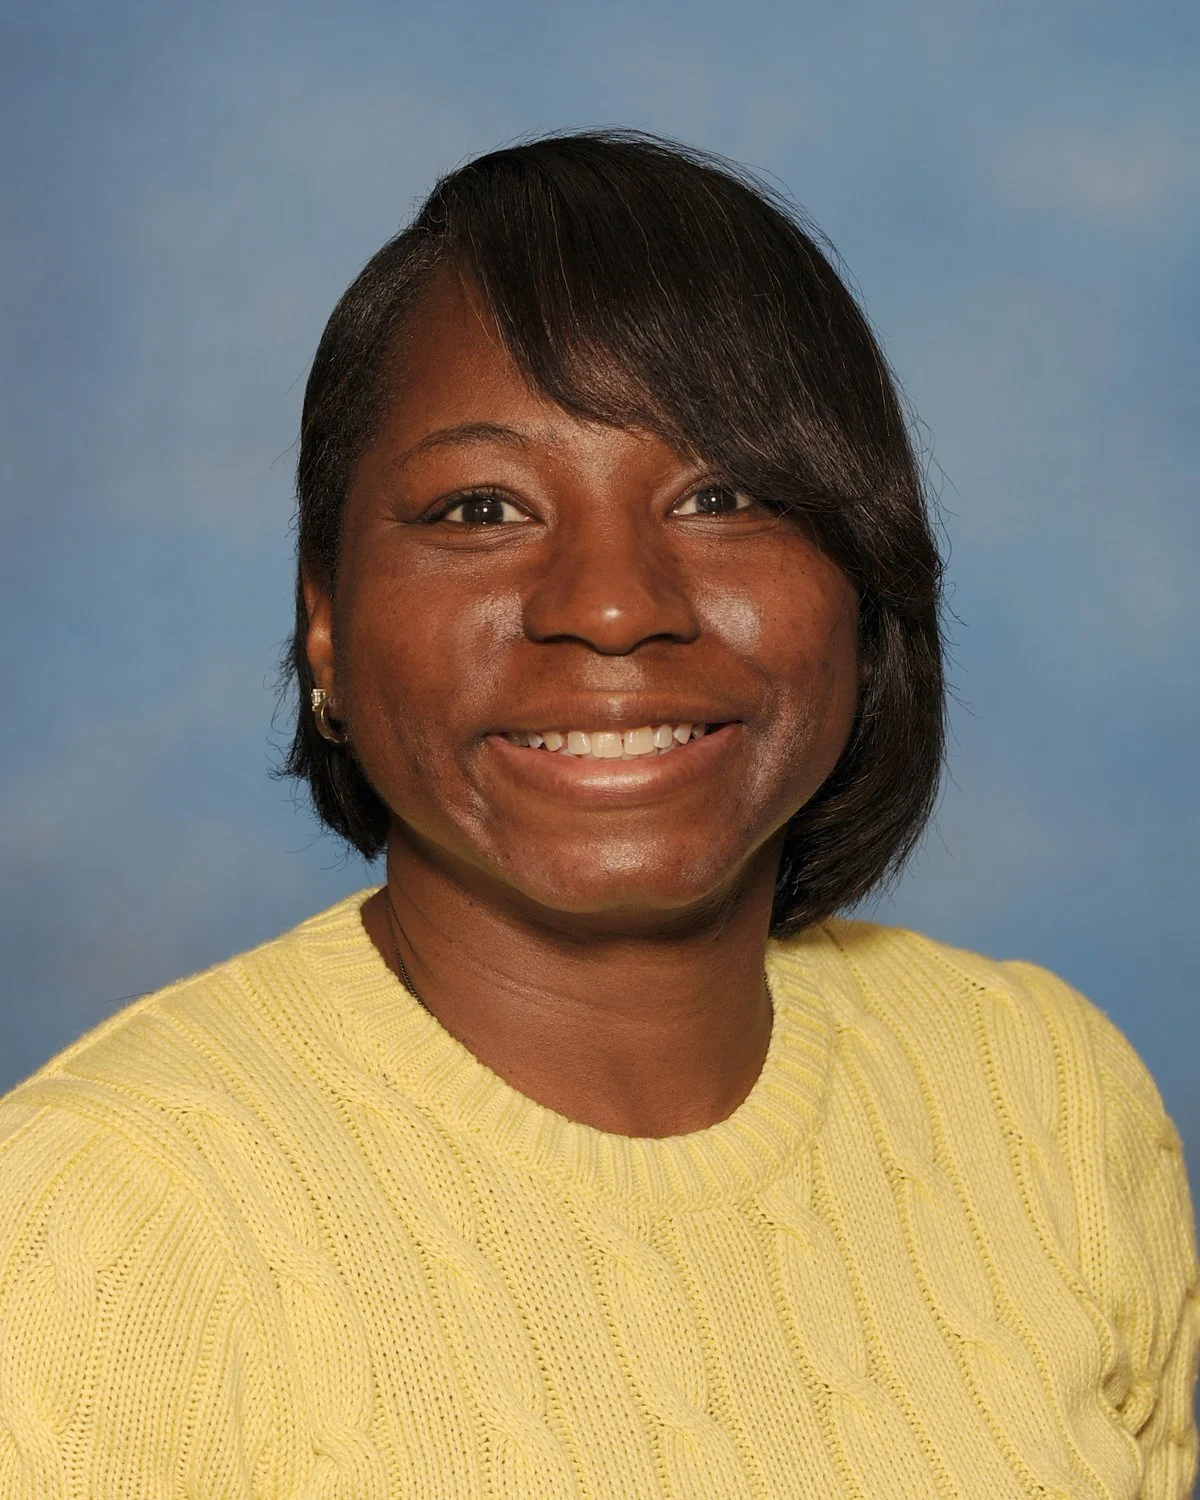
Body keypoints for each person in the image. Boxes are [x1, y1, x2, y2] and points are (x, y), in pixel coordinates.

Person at [0, 131, 1195, 1499]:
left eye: (723, 496)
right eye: (482, 508)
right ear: (325, 622)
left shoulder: (1043, 1094)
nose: (616, 606)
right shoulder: (100, 1226)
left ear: (864, 584)